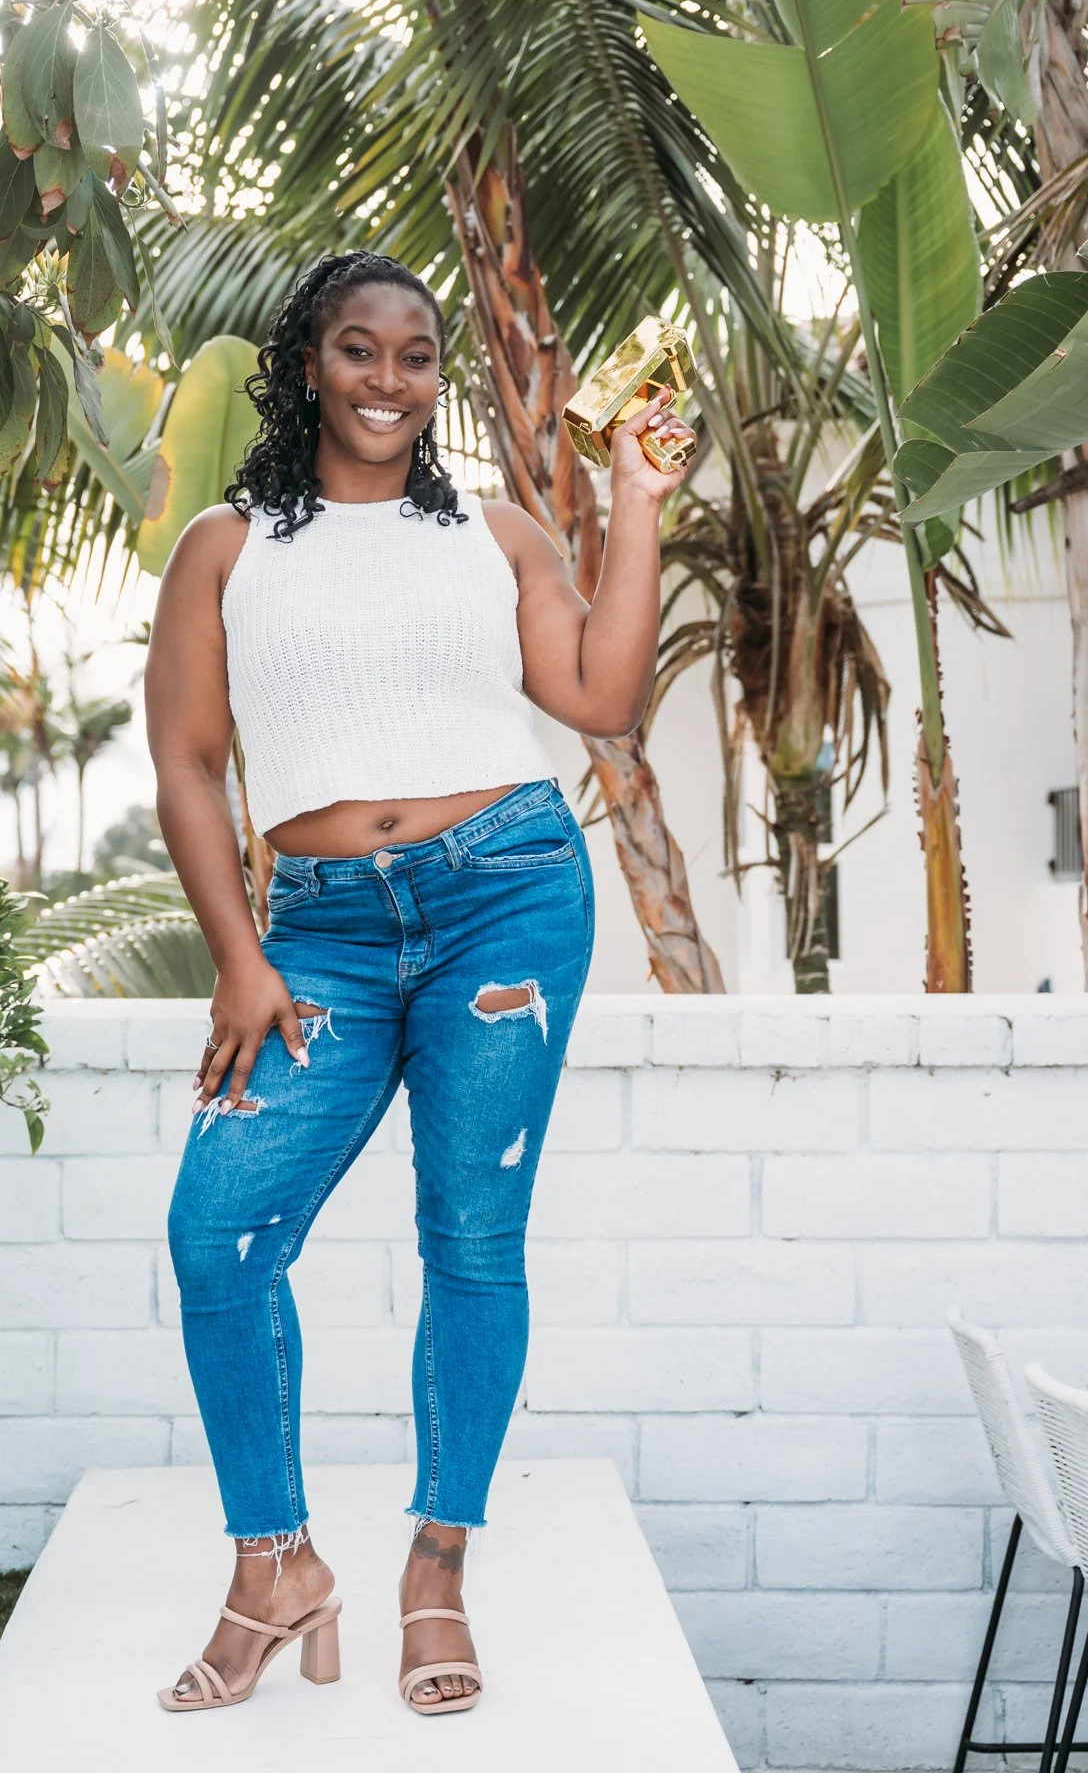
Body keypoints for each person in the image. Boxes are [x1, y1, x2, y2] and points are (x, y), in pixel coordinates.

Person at [143, 251, 688, 1717]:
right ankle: (275, 1566)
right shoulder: (226, 545)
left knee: (474, 1237)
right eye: (359, 349)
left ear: (438, 378)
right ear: (307, 364)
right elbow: (187, 763)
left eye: (417, 355)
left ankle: (437, 1567)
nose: (389, 380)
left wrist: (635, 497)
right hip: (316, 930)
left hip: (506, 896)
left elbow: (601, 697)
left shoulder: (495, 535)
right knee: (217, 1234)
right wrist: (239, 959)